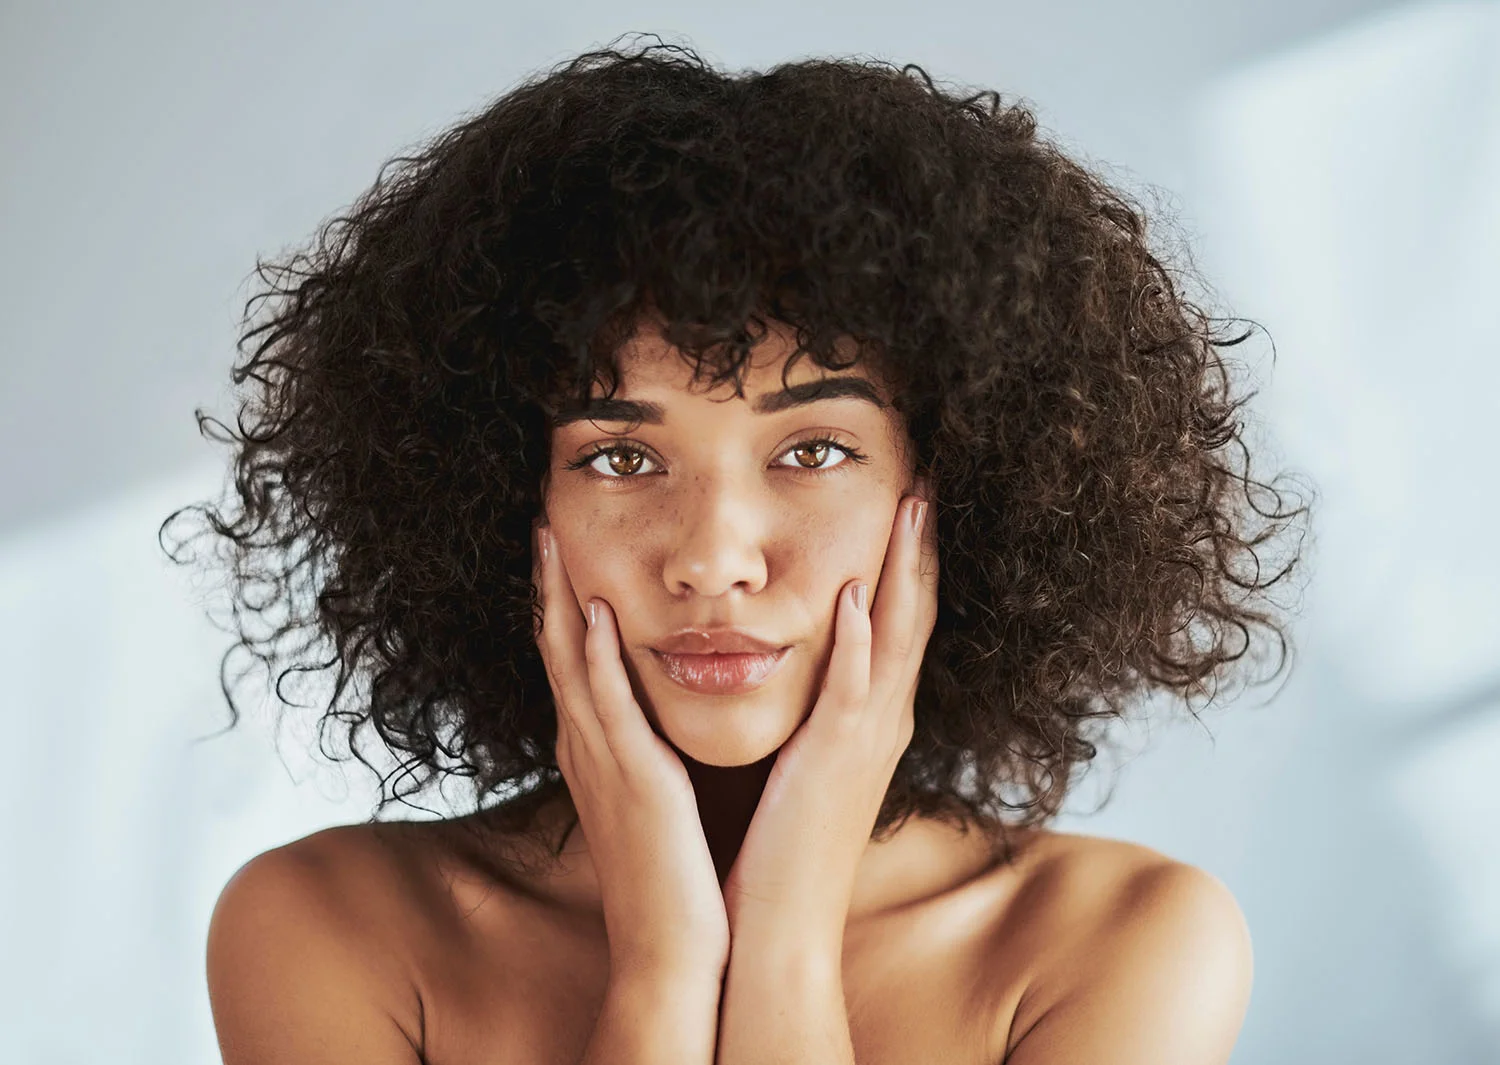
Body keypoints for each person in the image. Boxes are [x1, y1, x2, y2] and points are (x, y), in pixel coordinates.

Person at [164, 34, 1309, 1064]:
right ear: (506, 505)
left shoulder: (1117, 945)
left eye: (813, 450)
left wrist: (788, 943)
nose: (712, 559)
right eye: (619, 457)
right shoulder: (329, 928)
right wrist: (662, 964)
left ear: (956, 489)